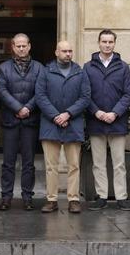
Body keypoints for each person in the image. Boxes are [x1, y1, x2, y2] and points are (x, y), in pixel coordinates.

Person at [35, 40, 92, 214]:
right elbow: (40, 96)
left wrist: (67, 114)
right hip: (50, 124)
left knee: (74, 165)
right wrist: (55, 116)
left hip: (73, 124)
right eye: (64, 51)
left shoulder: (80, 73)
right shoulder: (46, 72)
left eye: (70, 51)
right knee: (51, 166)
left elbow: (85, 97)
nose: (68, 54)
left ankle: (73, 199)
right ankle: (51, 200)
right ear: (56, 52)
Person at [84, 29, 130, 210]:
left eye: (110, 42)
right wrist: (96, 112)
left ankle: (121, 197)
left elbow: (129, 93)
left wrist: (115, 113)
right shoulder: (88, 67)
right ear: (98, 43)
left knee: (119, 162)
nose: (107, 45)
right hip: (95, 120)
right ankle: (101, 196)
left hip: (117, 121)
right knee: (98, 163)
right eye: (104, 42)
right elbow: (85, 94)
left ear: (115, 43)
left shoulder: (123, 67)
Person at [0, 33, 43, 211]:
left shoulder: (39, 68)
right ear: (13, 47)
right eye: (18, 46)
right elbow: (1, 90)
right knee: (8, 162)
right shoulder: (3, 68)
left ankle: (27, 197)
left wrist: (27, 109)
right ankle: (6, 197)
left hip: (30, 122)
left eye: (24, 45)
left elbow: (41, 91)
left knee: (29, 163)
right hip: (10, 121)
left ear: (29, 46)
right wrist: (18, 108)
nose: (21, 49)